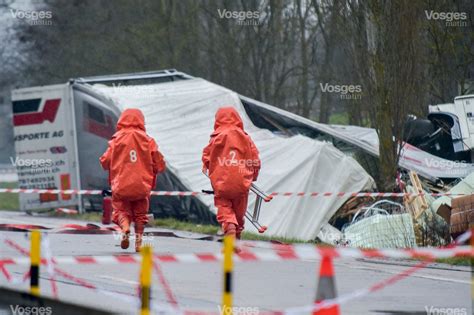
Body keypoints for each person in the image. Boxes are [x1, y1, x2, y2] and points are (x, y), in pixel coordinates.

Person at [100, 108, 165, 252]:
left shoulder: (116, 140)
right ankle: (139, 243)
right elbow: (159, 162)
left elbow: (105, 161)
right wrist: (156, 168)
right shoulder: (148, 140)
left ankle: (124, 228)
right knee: (141, 215)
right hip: (142, 186)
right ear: (141, 121)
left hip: (121, 185)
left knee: (121, 211)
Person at [202, 107, 260, 246]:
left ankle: (230, 231)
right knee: (239, 213)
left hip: (222, 183)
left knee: (225, 209)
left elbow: (206, 158)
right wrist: (253, 176)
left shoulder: (216, 138)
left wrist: (211, 172)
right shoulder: (246, 138)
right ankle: (237, 236)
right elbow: (255, 160)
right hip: (242, 182)